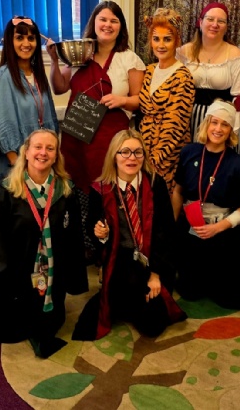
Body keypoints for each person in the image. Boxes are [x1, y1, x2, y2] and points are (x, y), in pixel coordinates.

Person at [48, 1, 145, 260]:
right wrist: (54, 61)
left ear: (121, 26)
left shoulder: (129, 59)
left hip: (111, 139)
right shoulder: (80, 53)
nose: (108, 25)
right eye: (103, 19)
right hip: (78, 135)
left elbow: (139, 100)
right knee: (80, 191)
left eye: (114, 20)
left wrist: (121, 100)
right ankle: (85, 246)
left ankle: (109, 247)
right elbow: (59, 88)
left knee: (107, 191)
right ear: (94, 22)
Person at [0, 129, 88, 358]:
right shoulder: (5, 194)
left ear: (56, 155)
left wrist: (74, 276)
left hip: (54, 274)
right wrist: (1, 282)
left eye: (50, 148)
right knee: (16, 325)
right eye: (38, 147)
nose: (43, 153)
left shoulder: (66, 191)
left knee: (52, 322)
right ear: (26, 152)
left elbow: (74, 239)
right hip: (18, 278)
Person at [73, 129, 186, 340]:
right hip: (120, 260)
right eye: (124, 152)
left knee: (153, 326)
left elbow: (167, 231)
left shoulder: (155, 184)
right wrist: (101, 234)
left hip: (153, 259)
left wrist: (155, 274)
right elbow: (92, 230)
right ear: (114, 156)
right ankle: (123, 296)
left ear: (144, 156)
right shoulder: (101, 189)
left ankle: (131, 297)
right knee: (91, 321)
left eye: (137, 152)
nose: (131, 158)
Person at [172, 100, 240, 309]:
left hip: (221, 232)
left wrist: (217, 228)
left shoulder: (239, 166)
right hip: (191, 229)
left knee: (231, 300)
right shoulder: (188, 152)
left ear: (231, 130)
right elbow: (178, 191)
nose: (218, 129)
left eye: (225, 124)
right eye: (214, 122)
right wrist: (173, 226)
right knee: (189, 292)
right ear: (206, 124)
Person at [0, 16, 59, 182]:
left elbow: (50, 117)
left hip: (43, 162)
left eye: (31, 38)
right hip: (19, 167)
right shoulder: (2, 77)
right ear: (10, 41)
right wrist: (18, 164)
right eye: (19, 38)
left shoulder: (38, 74)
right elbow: (3, 125)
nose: (26, 43)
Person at [176, 2, 240, 156]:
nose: (215, 25)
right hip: (188, 118)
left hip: (220, 122)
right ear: (200, 22)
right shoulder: (183, 52)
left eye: (221, 21)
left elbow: (238, 99)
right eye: (210, 19)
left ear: (226, 27)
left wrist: (233, 130)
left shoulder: (236, 55)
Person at [139, 8, 195, 193]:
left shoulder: (182, 76)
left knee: (163, 201)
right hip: (144, 149)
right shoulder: (149, 71)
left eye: (167, 39)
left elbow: (176, 126)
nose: (161, 45)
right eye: (156, 39)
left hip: (169, 154)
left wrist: (155, 160)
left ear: (176, 41)